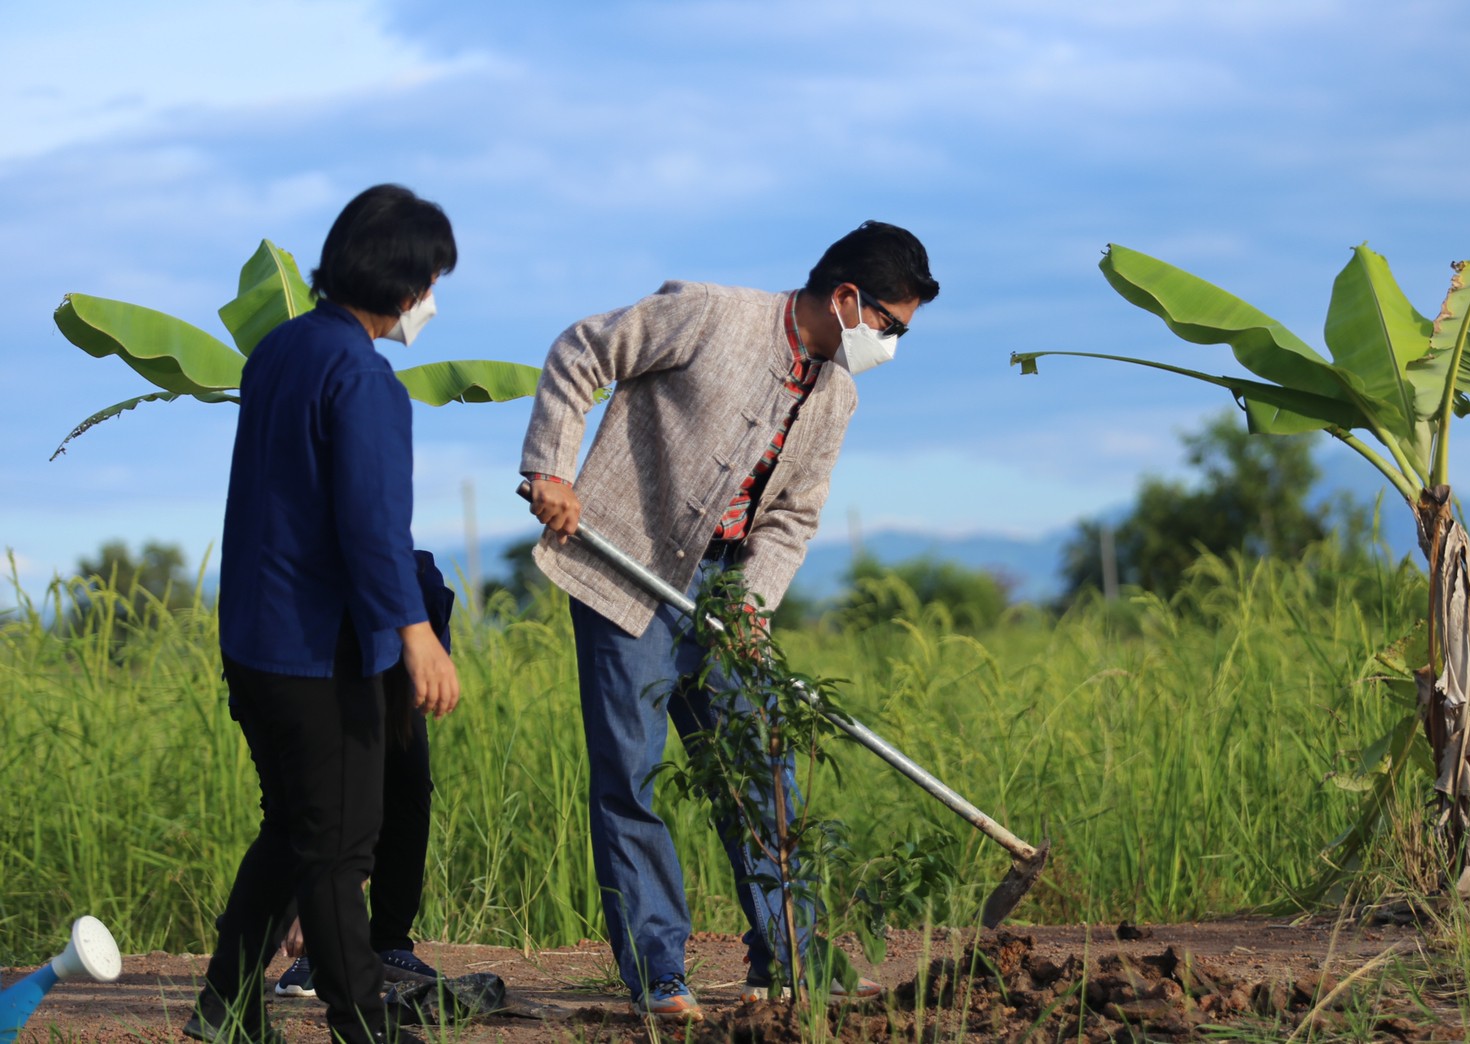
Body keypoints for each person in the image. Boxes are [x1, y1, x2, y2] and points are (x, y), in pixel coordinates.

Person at [519, 220, 938, 1021]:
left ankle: (787, 963)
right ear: (848, 299)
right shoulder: (710, 314)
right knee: (631, 776)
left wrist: (752, 603)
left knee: (760, 771)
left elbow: (793, 519)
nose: (891, 344)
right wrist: (550, 467)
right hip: (627, 573)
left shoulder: (838, 393)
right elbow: (582, 351)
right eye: (891, 326)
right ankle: (661, 978)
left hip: (724, 596)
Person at [185, 184, 462, 1044]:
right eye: (433, 282)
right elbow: (371, 523)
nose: (432, 301)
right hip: (320, 650)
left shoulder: (281, 350)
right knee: (341, 845)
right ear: (407, 286)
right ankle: (366, 1024)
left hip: (256, 638)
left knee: (297, 829)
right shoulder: (364, 379)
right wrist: (416, 634)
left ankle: (223, 1010)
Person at [271, 551, 453, 1001]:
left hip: (389, 615)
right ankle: (314, 944)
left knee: (408, 785)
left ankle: (389, 943)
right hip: (308, 648)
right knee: (308, 800)